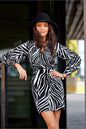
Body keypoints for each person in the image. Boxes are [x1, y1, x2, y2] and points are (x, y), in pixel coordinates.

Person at [1, 12, 81, 129]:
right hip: (39, 86)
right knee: (52, 125)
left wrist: (64, 74)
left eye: (45, 25)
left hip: (55, 85)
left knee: (55, 127)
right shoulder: (29, 45)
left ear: (49, 28)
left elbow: (76, 58)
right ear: (35, 28)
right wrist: (17, 65)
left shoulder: (55, 45)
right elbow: (5, 56)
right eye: (39, 25)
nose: (42, 28)